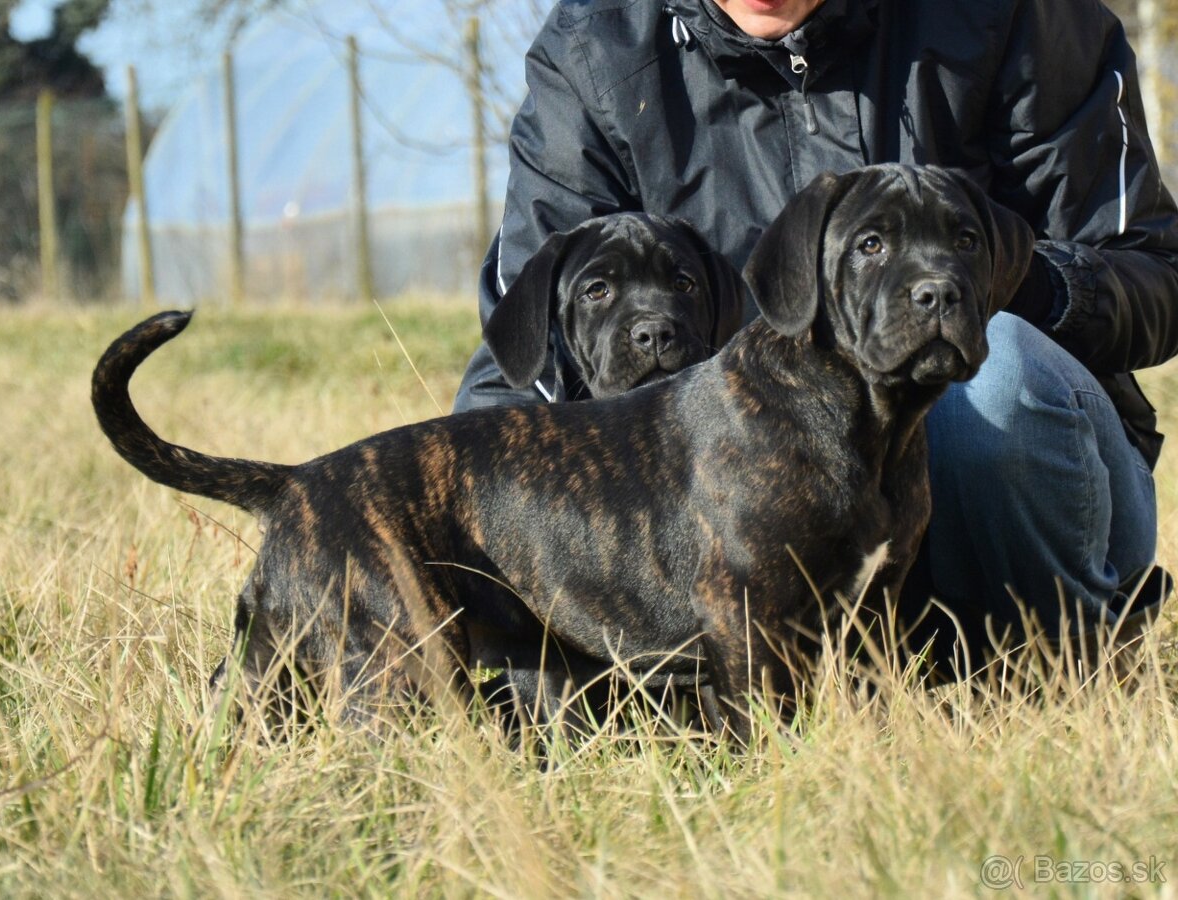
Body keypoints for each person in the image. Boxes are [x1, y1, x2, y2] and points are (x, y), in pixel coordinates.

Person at [453, 0, 1178, 642]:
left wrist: (999, 284)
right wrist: (464, 569)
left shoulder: (1011, 14)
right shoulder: (596, 49)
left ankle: (1065, 650)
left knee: (997, 377)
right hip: (760, 539)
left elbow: (1154, 268)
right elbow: (527, 359)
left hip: (1027, 484)